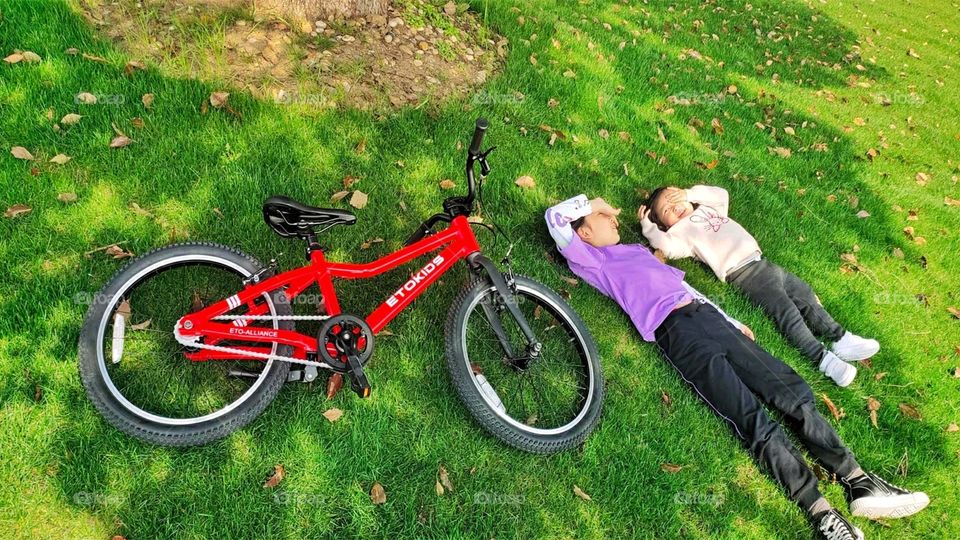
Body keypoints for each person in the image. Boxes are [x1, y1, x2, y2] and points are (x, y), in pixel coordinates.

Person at [544, 194, 928, 540]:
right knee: (748, 417)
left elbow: (689, 291)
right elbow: (556, 217)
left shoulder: (636, 252)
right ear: (584, 234)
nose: (611, 219)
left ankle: (859, 481)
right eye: (598, 218)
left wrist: (728, 319)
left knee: (789, 390)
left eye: (608, 215)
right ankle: (821, 512)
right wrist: (596, 202)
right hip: (677, 336)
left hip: (706, 318)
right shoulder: (592, 261)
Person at [638, 185, 878, 387]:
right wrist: (649, 226)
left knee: (803, 293)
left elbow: (721, 194)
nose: (675, 205)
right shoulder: (681, 234)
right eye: (667, 210)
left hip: (763, 263)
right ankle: (824, 360)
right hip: (745, 273)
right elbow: (667, 247)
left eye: (674, 197)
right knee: (786, 311)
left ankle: (841, 338)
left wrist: (689, 194)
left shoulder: (708, 207)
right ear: (664, 224)